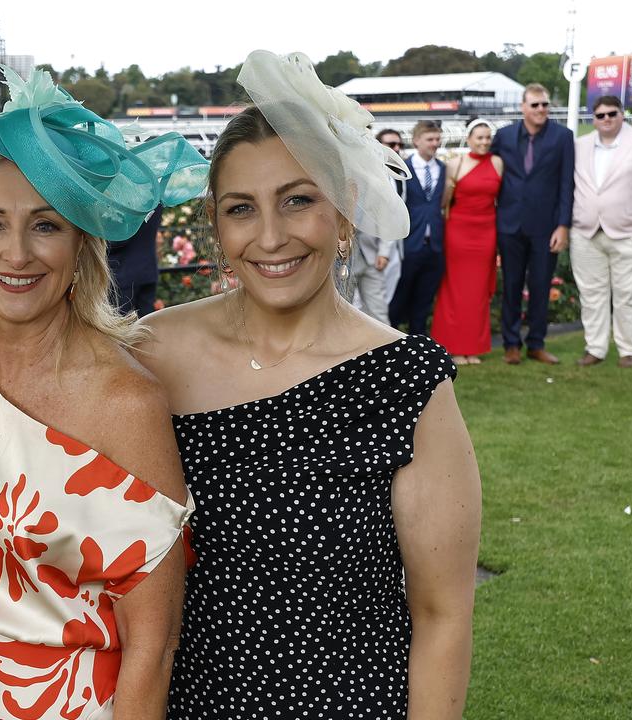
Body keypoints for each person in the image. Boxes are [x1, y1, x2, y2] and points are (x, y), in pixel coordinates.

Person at [136, 50, 481, 719]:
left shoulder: (405, 382)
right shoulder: (155, 354)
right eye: (242, 209)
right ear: (216, 225)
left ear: (345, 209)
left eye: (297, 200)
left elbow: (443, 617)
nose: (271, 236)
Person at [0, 67, 207, 720]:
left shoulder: (124, 402)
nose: (16, 253)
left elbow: (153, 646)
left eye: (45, 225)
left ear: (81, 244)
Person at [570, 96, 632, 367]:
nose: (606, 119)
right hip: (586, 233)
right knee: (591, 296)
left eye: (611, 113)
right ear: (593, 118)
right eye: (600, 115)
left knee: (628, 295)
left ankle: (628, 350)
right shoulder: (580, 145)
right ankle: (595, 348)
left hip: (631, 232)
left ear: (622, 114)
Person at [491, 83, 575, 365]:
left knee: (540, 286)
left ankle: (536, 344)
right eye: (535, 105)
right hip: (509, 225)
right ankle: (511, 344)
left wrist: (563, 226)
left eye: (545, 105)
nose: (541, 110)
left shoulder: (563, 137)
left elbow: (567, 184)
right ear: (523, 107)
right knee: (512, 286)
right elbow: (489, 175)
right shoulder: (503, 136)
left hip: (546, 228)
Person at [432, 118, 504, 364]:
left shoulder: (497, 163)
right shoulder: (455, 163)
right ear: (469, 139)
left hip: (486, 232)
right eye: (479, 137)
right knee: (454, 289)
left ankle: (473, 348)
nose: (484, 142)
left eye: (487, 137)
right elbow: (443, 203)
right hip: (458, 232)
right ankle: (452, 346)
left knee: (478, 291)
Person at [389, 120, 446, 335]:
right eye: (430, 139)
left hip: (435, 246)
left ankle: (420, 346)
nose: (435, 143)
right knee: (399, 297)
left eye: (438, 139)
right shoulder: (403, 169)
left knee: (424, 301)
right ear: (416, 141)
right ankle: (392, 342)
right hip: (409, 245)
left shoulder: (443, 168)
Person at [352, 128, 406, 324]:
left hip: (371, 255)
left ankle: (386, 354)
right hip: (342, 258)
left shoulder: (376, 175)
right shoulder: (334, 169)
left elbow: (385, 214)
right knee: (346, 311)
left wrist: (384, 251)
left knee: (379, 312)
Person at [108, 205, 163, 316]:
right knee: (145, 326)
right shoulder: (156, 197)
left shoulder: (130, 198)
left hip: (123, 274)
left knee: (121, 328)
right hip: (147, 270)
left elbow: (119, 239)